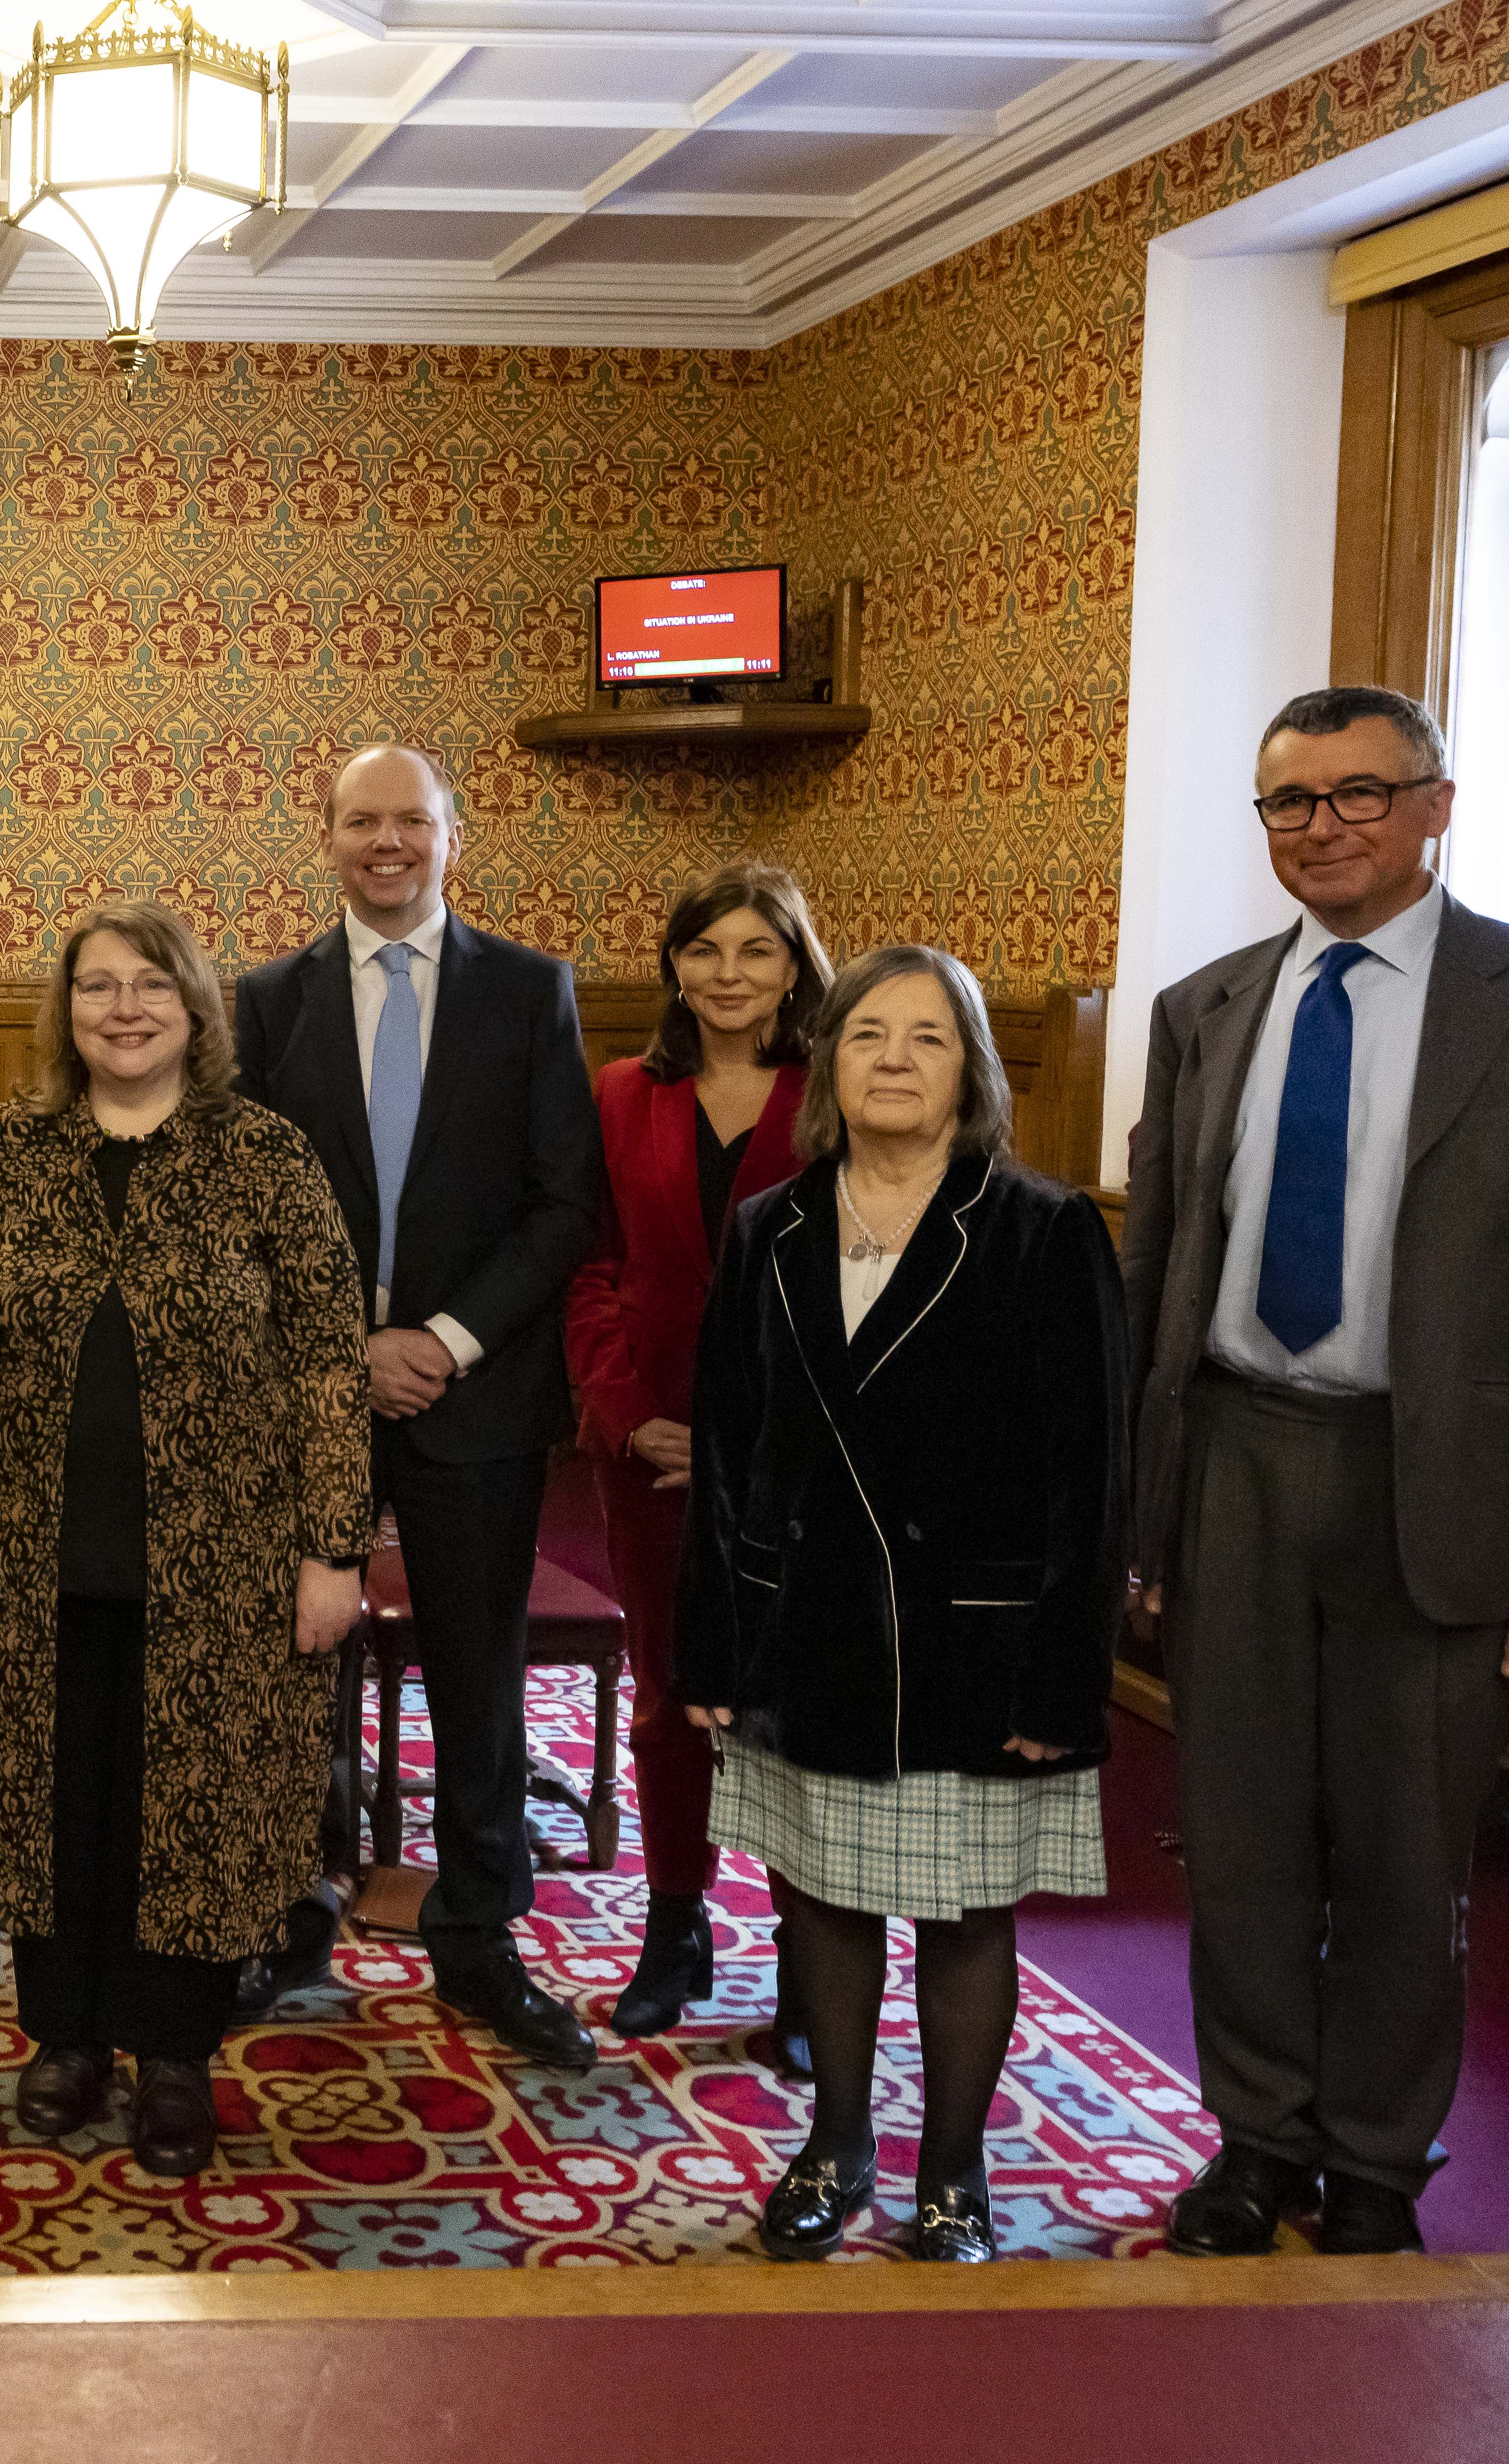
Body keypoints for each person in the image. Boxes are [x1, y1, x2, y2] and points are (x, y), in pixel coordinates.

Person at [1130, 685, 1509, 2260]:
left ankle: (1372, 2158)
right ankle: (1256, 2137)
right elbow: (1159, 1273)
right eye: (1290, 801)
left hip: (1443, 1491)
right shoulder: (1206, 1005)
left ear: (1437, 804)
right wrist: (1143, 1517)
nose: (1323, 826)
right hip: (1236, 1457)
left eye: (1362, 793)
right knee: (1238, 1835)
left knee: (1407, 1847)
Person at [0, 904, 372, 2179]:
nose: (121, 1008)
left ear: (195, 1006)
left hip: (223, 1564)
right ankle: (62, 2037)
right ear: (64, 1011)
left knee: (194, 1806)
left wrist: (332, 1551)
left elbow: (331, 1365)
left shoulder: (265, 1156)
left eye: (148, 984)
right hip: (28, 1553)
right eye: (95, 987)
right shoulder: (9, 1150)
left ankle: (172, 2052)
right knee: (52, 1796)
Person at [674, 945, 1125, 2265]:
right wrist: (711, 1634)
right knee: (819, 1892)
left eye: (926, 1038)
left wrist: (1061, 1683)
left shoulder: (1040, 1229)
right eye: (867, 1032)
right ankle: (836, 2146)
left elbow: (1089, 1478)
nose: (890, 1059)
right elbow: (723, 1446)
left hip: (972, 1642)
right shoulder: (771, 1224)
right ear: (828, 1062)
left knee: (962, 1911)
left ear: (969, 1071)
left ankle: (951, 2171)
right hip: (800, 1624)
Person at [229, 744, 603, 2066]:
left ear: (454, 835)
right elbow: (242, 1210)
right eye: (358, 822)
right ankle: (287, 1910)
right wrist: (345, 1349)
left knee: (476, 1675)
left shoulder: (528, 993)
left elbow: (568, 1200)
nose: (384, 843)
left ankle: (479, 1934)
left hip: (475, 1389)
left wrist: (440, 1338)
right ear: (325, 837)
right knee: (288, 1666)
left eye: (409, 821)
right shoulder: (265, 1002)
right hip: (307, 1397)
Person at [564, 863, 830, 2051]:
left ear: (793, 966)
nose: (728, 974)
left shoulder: (836, 1092)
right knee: (669, 1697)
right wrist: (624, 1413)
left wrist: (762, 1429)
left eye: (755, 951)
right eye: (704, 949)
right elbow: (589, 1268)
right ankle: (673, 1926)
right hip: (651, 1447)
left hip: (798, 1452)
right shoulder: (622, 1090)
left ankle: (802, 1951)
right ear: (672, 965)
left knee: (778, 1703)